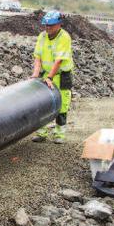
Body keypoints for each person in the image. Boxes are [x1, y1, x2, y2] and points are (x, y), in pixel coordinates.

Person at [30, 10, 73, 143]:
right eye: (46, 26)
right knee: (43, 102)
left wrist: (50, 77)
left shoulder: (64, 37)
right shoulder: (42, 36)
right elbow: (37, 57)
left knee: (62, 105)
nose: (48, 28)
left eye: (51, 25)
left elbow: (58, 61)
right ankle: (42, 133)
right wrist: (35, 75)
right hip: (46, 73)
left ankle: (59, 135)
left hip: (62, 75)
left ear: (59, 24)